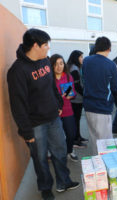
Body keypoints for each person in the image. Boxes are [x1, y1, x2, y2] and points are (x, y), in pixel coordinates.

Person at [7, 28, 79, 200]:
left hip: (54, 118)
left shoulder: (45, 62)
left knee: (60, 151)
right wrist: (26, 132)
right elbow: (18, 105)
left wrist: (59, 103)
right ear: (35, 46)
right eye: (45, 45)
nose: (48, 48)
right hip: (35, 124)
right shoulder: (18, 71)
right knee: (40, 159)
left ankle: (64, 181)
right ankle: (46, 188)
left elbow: (52, 87)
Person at [82, 36, 117, 155]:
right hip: (103, 107)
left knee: (94, 139)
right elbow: (115, 87)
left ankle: (97, 166)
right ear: (109, 48)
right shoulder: (111, 65)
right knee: (105, 143)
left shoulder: (86, 61)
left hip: (88, 106)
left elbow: (84, 80)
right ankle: (104, 168)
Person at [50, 54, 78, 162]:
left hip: (67, 109)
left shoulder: (67, 76)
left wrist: (72, 95)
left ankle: (69, 151)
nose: (59, 66)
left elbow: (73, 92)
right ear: (51, 66)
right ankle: (58, 155)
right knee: (57, 138)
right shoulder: (49, 79)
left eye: (61, 63)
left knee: (71, 134)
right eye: (56, 64)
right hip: (54, 112)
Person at [67, 50, 88, 148]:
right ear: (76, 58)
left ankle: (78, 137)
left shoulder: (72, 67)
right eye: (80, 57)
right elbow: (76, 86)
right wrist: (85, 94)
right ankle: (76, 140)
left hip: (75, 99)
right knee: (75, 119)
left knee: (77, 119)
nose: (82, 59)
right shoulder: (74, 69)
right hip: (76, 99)